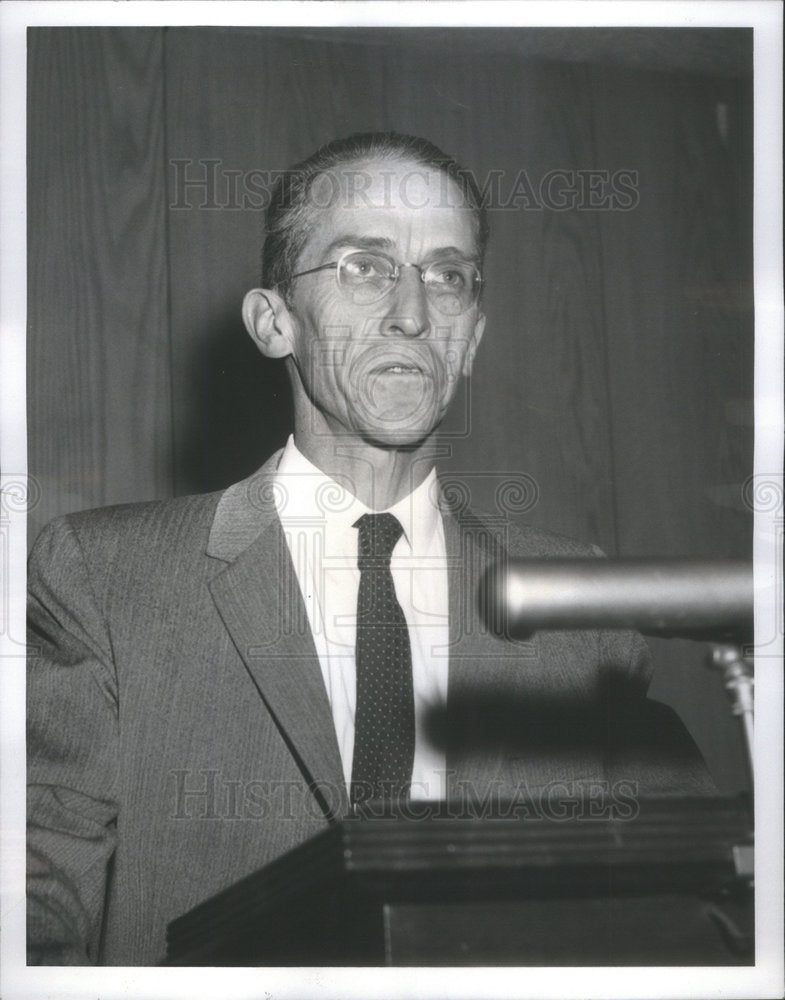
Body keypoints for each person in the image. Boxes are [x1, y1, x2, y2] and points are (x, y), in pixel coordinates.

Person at [27, 132, 713, 966]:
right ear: (274, 322)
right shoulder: (105, 580)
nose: (412, 313)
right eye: (365, 266)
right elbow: (32, 917)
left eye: (446, 275)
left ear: (472, 337)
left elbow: (696, 908)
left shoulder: (581, 610)